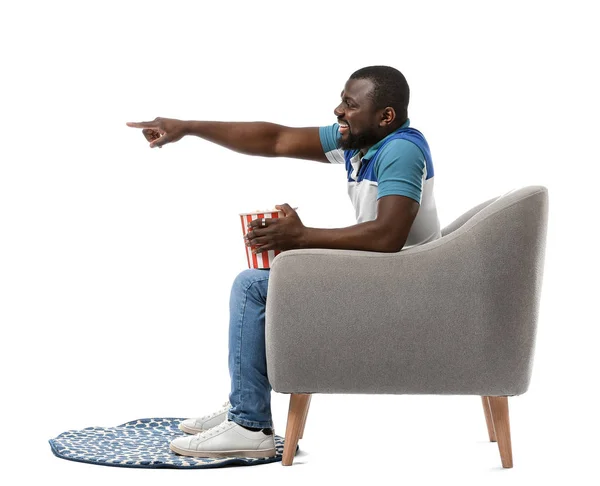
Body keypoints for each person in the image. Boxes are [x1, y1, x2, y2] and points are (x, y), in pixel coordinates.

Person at [127, 65, 441, 459]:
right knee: (263, 275)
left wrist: (302, 237)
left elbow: (387, 236)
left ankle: (250, 424)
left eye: (349, 104)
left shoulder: (401, 150)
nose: (338, 111)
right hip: (384, 273)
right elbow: (275, 139)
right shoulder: (361, 141)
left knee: (253, 285)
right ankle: (247, 401)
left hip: (403, 285)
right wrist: (188, 127)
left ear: (386, 116)